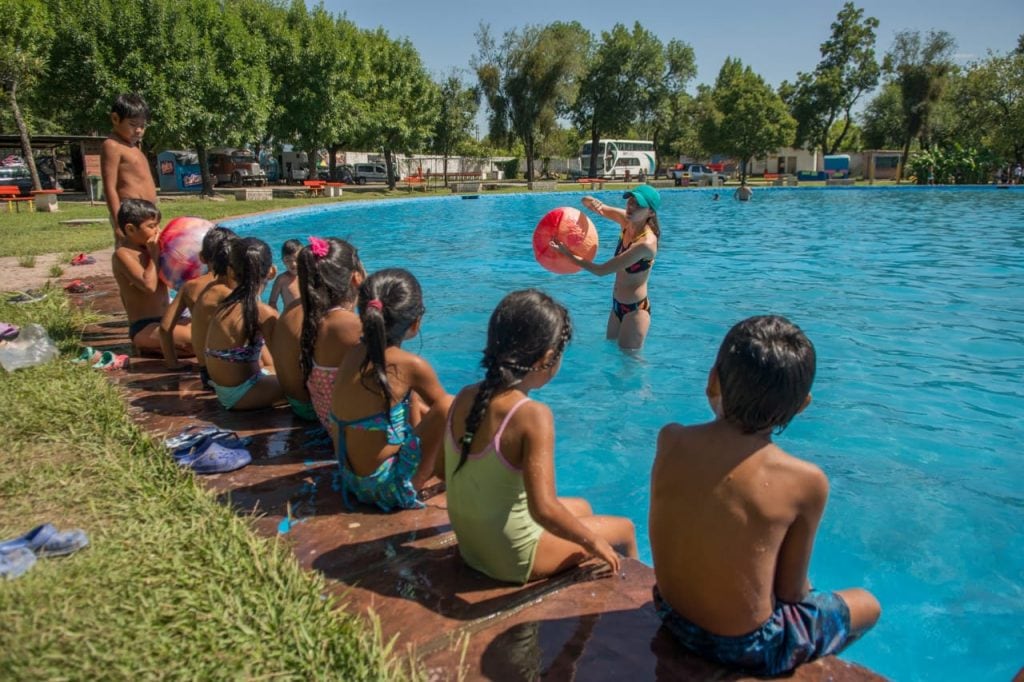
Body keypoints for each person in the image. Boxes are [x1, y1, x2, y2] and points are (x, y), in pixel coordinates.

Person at [648, 315, 880, 676]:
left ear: (713, 381)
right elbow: (791, 592)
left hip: (670, 614)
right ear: (802, 405)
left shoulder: (671, 438)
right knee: (867, 605)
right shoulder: (806, 480)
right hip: (743, 647)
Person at [438, 289, 637, 584]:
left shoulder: (464, 396)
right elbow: (543, 509)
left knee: (582, 507)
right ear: (546, 358)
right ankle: (632, 602)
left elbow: (445, 472)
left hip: (472, 546)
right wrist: (593, 543)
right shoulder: (532, 415)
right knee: (625, 529)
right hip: (510, 557)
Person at [329, 268, 452, 512]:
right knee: (449, 405)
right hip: (387, 488)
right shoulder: (410, 365)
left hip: (350, 478)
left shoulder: (353, 353)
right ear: (416, 322)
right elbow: (451, 414)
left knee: (413, 397)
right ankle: (432, 477)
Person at [550, 184, 660, 350]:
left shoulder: (646, 244)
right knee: (611, 353)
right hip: (617, 306)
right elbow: (590, 204)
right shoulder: (626, 220)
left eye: (638, 205)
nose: (631, 207)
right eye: (630, 201)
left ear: (651, 212)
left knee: (630, 364)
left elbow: (601, 270)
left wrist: (567, 254)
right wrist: (591, 201)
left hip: (635, 310)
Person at [275, 236, 363, 425]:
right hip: (324, 414)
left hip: (299, 406)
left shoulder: (290, 311)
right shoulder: (344, 324)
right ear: (356, 277)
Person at [205, 238, 282, 410]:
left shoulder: (225, 305)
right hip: (242, 393)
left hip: (227, 391)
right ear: (272, 271)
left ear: (231, 271)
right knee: (308, 387)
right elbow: (286, 362)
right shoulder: (261, 312)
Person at [110, 199, 192, 359]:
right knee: (196, 340)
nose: (157, 231)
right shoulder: (123, 254)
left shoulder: (152, 249)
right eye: (151, 226)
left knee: (213, 332)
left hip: (168, 318)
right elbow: (148, 286)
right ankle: (149, 344)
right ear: (131, 229)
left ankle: (162, 347)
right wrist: (154, 256)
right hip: (145, 326)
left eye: (158, 225)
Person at [158, 226, 236, 370]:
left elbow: (164, 328)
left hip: (206, 371)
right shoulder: (236, 283)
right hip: (236, 369)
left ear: (202, 257)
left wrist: (172, 364)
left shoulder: (189, 287)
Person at [101, 94, 157, 246]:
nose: (139, 130)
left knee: (150, 256)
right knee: (131, 257)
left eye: (142, 126)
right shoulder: (112, 145)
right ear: (115, 119)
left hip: (147, 214)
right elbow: (109, 187)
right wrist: (119, 223)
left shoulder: (134, 148)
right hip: (129, 217)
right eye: (133, 124)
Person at [268, 239, 302, 310]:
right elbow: (272, 302)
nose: (293, 264)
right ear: (283, 261)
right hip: (290, 319)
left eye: (296, 259)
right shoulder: (281, 280)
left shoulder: (308, 276)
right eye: (288, 260)